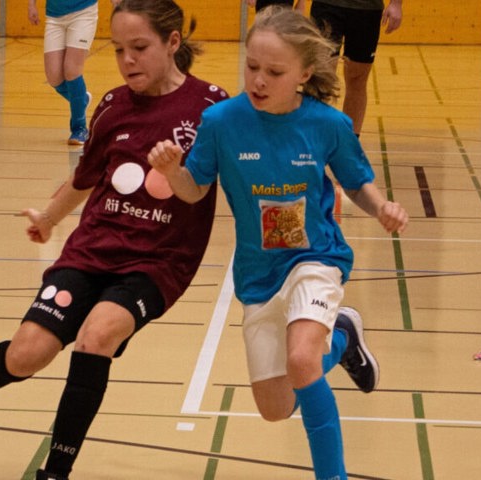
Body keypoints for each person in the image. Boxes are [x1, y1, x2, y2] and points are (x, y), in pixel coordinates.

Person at [0, 1, 228, 479]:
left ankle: (55, 471)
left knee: (97, 335)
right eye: (119, 50)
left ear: (173, 43)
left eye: (140, 48)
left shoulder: (211, 108)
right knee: (26, 355)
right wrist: (49, 217)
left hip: (159, 262)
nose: (127, 61)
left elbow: (218, 182)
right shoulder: (112, 106)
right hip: (93, 248)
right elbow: (85, 179)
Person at [148, 6, 408, 479]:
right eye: (251, 67)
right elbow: (195, 188)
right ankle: (343, 335)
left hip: (315, 258)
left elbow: (355, 182)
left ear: (305, 73)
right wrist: (173, 172)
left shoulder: (327, 124)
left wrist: (381, 206)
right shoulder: (222, 122)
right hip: (258, 273)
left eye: (274, 72)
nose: (259, 80)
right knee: (275, 405)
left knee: (301, 358)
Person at [310, 0, 403, 136]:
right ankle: (315, 139)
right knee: (321, 78)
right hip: (326, 6)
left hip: (367, 10)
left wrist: (396, 4)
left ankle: (351, 141)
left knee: (357, 79)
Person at [28, 0, 100, 145]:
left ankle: (79, 128)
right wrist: (31, 5)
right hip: (54, 16)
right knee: (54, 77)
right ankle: (82, 99)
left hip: (83, 12)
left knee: (72, 70)